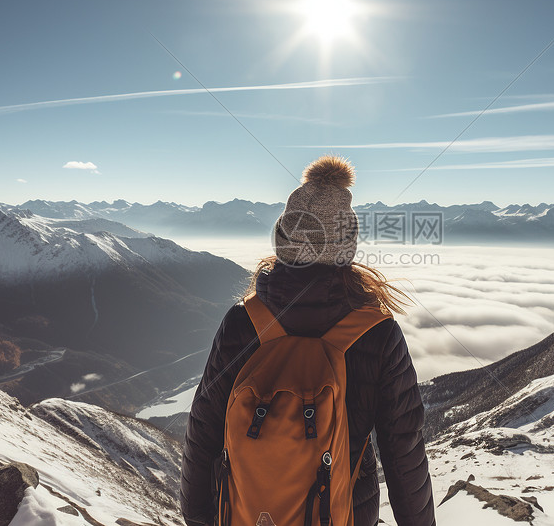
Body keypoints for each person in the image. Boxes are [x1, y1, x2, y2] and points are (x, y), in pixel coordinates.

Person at [180, 155, 435, 526]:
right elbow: (403, 451)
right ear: (347, 246)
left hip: (246, 513)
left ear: (283, 240)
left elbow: (204, 425)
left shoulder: (243, 320)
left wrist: (197, 517)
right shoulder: (377, 332)